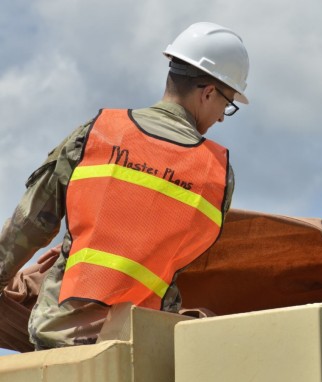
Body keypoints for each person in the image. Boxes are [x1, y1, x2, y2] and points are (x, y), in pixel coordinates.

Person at [0, 22, 250, 350]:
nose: (220, 118)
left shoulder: (96, 134)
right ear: (207, 92)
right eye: (227, 105)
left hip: (59, 337)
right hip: (139, 346)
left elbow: (31, 224)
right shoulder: (217, 175)